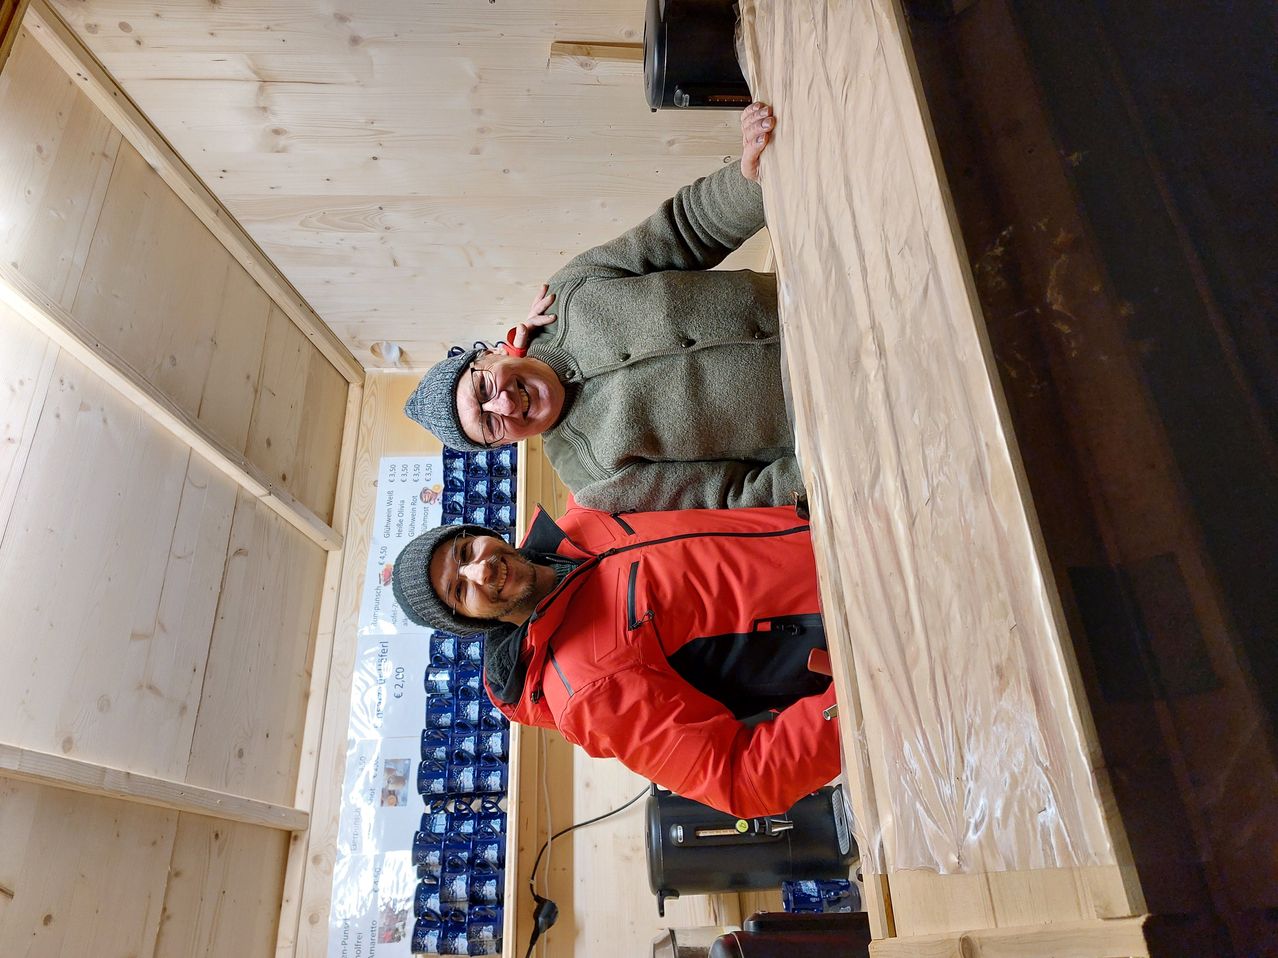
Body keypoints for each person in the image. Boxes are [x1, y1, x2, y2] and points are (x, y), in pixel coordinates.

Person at [403, 104, 803, 513]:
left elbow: (683, 231)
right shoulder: (594, 481)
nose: (503, 405)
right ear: (504, 444)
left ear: (489, 354)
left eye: (483, 388)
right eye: (489, 426)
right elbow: (729, 495)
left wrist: (748, 182)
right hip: (827, 413)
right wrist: (821, 461)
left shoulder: (569, 291)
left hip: (812, 294)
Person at [391, 501, 840, 817]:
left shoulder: (584, 518)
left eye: (466, 551)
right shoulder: (584, 690)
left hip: (853, 530)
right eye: (460, 590)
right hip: (861, 631)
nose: (481, 570)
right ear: (469, 622)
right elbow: (742, 780)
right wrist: (856, 698)